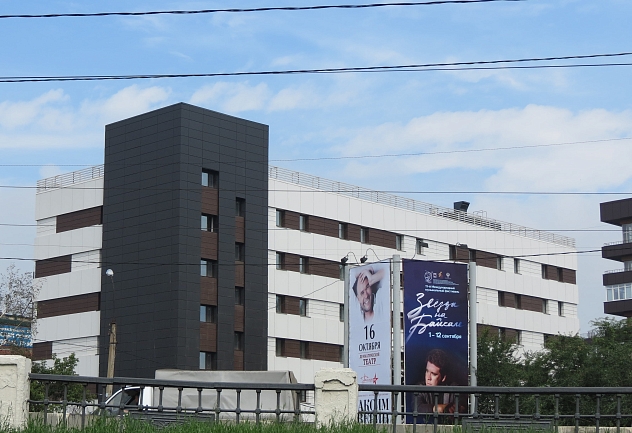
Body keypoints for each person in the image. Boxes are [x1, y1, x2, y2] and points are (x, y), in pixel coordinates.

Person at [414, 349, 465, 414]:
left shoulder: (454, 389)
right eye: (427, 371)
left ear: (443, 378)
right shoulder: (418, 389)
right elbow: (417, 407)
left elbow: (463, 405)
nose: (428, 377)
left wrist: (457, 408)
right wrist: (440, 408)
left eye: (433, 374)